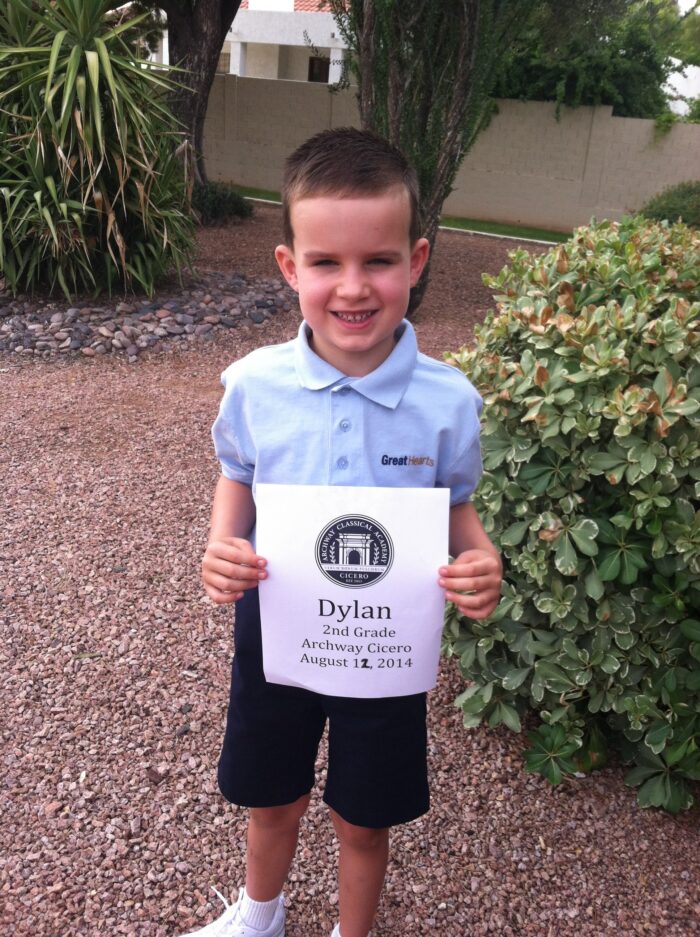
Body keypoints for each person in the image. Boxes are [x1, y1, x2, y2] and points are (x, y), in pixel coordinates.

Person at [185, 127, 502, 937]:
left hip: (386, 649)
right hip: (280, 630)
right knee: (272, 795)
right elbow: (239, 476)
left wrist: (480, 557)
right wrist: (224, 545)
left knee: (365, 817)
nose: (353, 287)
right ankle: (261, 916)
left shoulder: (448, 400)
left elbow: (455, 502)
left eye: (379, 261)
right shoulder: (254, 384)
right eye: (326, 262)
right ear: (290, 265)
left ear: (417, 259)